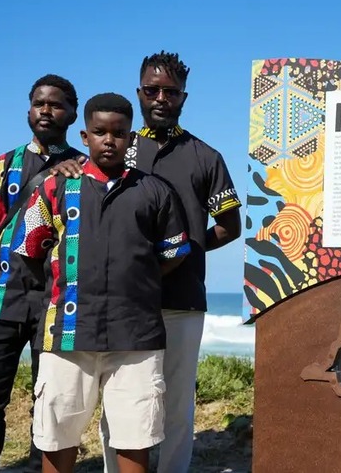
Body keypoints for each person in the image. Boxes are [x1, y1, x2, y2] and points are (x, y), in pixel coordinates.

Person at [54, 51, 242, 473]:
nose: (161, 98)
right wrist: (65, 164)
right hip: (118, 304)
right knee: (116, 404)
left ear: (183, 97)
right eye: (152, 90)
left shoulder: (205, 156)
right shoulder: (117, 144)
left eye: (170, 92)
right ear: (139, 93)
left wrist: (187, 251)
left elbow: (230, 226)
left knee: (176, 402)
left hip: (181, 299)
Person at [13, 93, 191, 473]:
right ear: (85, 136)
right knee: (57, 437)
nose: (109, 140)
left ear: (131, 138)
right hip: (66, 334)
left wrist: (135, 283)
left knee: (135, 437)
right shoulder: (55, 188)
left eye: (119, 133)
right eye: (99, 132)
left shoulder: (155, 191)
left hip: (136, 338)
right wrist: (64, 288)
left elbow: (173, 253)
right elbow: (29, 250)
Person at [0, 74, 83, 473]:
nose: (46, 110)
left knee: (51, 403)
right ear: (28, 110)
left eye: (56, 104)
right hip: (0, 299)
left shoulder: (85, 168)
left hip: (59, 302)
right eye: (39, 103)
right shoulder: (1, 166)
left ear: (73, 113)